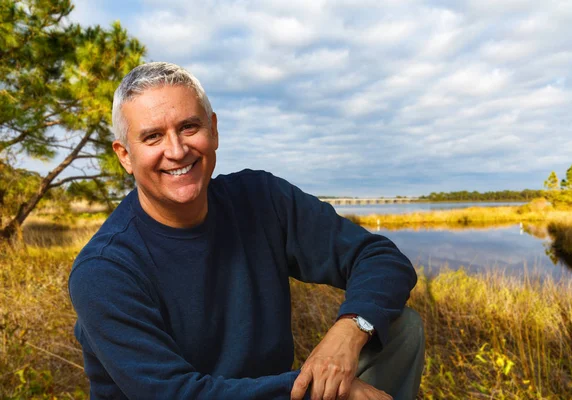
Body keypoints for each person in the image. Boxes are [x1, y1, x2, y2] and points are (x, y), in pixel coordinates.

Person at [69, 62, 425, 400]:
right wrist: (328, 391)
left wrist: (350, 329)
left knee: (396, 327)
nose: (176, 150)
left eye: (189, 127)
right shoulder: (105, 270)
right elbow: (175, 394)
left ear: (214, 130)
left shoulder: (261, 200)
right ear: (125, 155)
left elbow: (380, 258)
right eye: (153, 137)